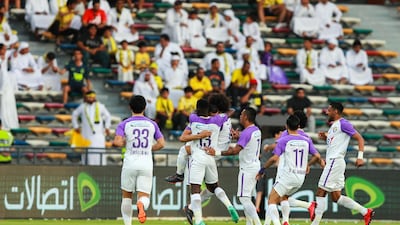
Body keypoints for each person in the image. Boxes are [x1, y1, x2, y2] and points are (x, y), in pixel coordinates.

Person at [311, 102, 374, 225]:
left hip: (335, 162)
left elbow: (360, 138)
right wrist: (326, 137)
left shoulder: (343, 123)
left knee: (320, 191)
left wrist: (360, 157)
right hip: (335, 162)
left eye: (329, 110)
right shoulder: (334, 126)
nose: (327, 112)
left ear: (335, 111)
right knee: (336, 197)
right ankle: (365, 212)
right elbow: (336, 143)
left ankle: (315, 224)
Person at [180, 99, 239, 225]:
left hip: (198, 157)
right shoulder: (217, 121)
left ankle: (199, 220)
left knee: (195, 189)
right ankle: (229, 206)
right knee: (215, 187)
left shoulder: (193, 119)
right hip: (210, 157)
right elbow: (230, 112)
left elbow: (184, 135)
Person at [259, 115, 324, 225]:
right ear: (298, 126)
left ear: (286, 126)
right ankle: (286, 221)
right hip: (300, 178)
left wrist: (263, 168)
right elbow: (317, 156)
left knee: (271, 200)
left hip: (287, 175)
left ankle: (277, 223)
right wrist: (308, 165)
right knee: (283, 198)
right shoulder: (307, 140)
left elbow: (274, 158)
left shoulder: (284, 139)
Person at [205, 107, 262, 225]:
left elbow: (235, 151)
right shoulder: (256, 130)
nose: (240, 116)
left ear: (246, 117)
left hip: (247, 168)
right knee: (248, 197)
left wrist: (217, 152)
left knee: (244, 198)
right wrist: (239, 135)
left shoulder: (246, 133)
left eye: (242, 114)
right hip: (255, 165)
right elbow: (246, 137)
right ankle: (249, 223)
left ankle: (257, 223)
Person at [113, 95, 165, 225]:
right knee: (144, 196)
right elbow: (161, 143)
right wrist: (148, 148)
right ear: (145, 107)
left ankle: (128, 224)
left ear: (130, 107)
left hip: (130, 163)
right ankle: (141, 205)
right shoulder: (152, 124)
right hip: (146, 164)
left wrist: (125, 141)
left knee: (126, 197)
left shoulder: (124, 124)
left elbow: (117, 142)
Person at [72, 90, 111, 165]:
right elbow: (74, 114)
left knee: (99, 153)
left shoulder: (100, 106)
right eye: (89, 97)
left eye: (92, 97)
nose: (90, 99)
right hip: (86, 135)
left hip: (98, 135)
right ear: (86, 98)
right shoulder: (82, 107)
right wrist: (76, 126)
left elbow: (108, 116)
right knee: (87, 155)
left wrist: (107, 127)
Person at [0, 43, 18, 130]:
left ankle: (8, 122)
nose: (5, 51)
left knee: (8, 101)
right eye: (3, 49)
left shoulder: (5, 56)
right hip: (1, 80)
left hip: (6, 81)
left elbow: (13, 49)